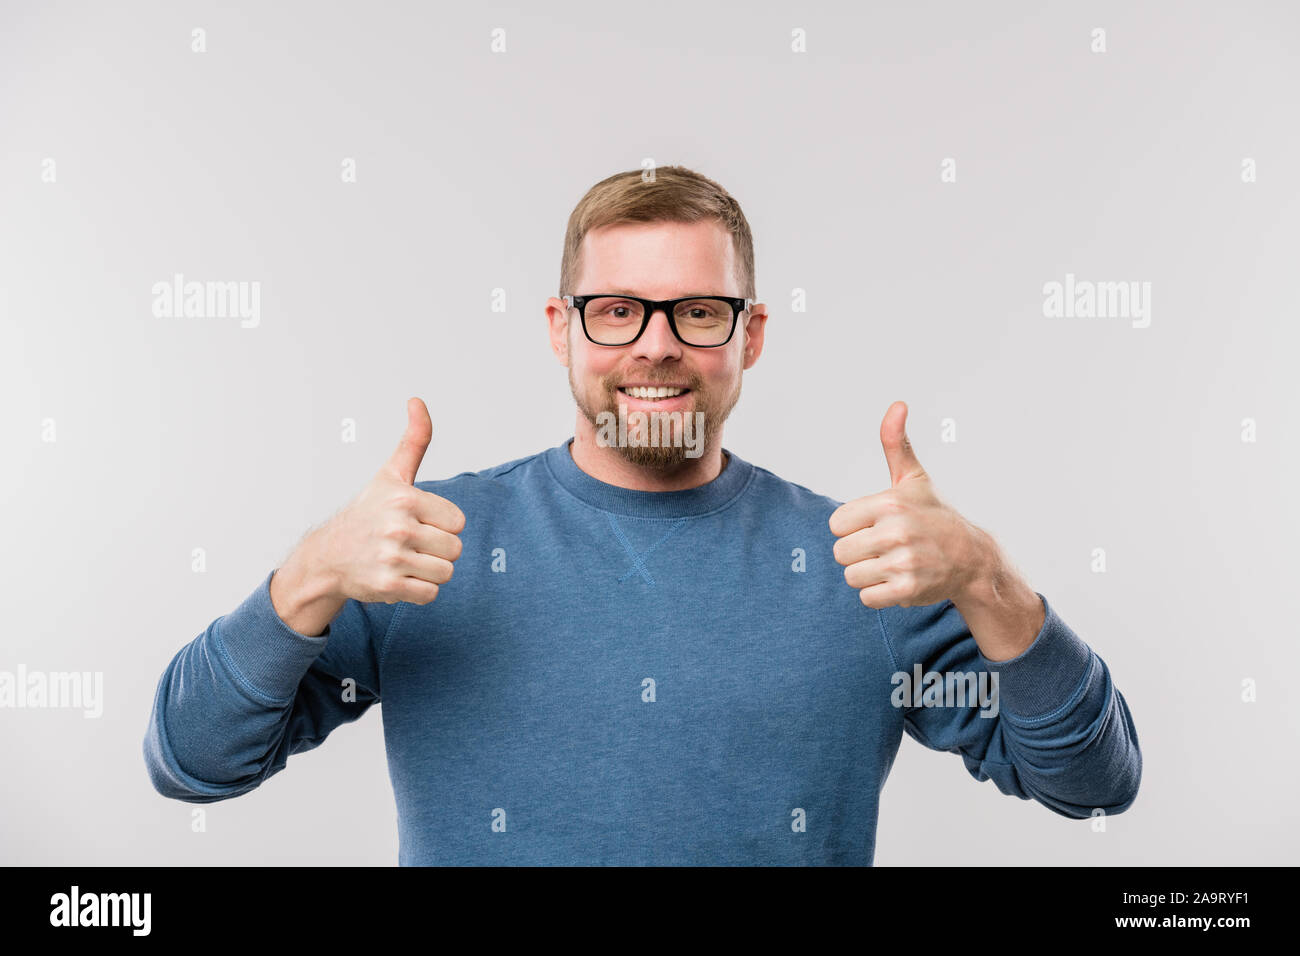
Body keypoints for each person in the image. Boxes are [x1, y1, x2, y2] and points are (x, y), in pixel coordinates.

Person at [143, 165, 1141, 865]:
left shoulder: (868, 565)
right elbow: (191, 761)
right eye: (615, 309)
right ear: (559, 327)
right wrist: (310, 572)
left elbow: (1092, 780)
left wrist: (987, 579)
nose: (654, 345)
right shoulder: (420, 546)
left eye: (696, 311)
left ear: (749, 335)